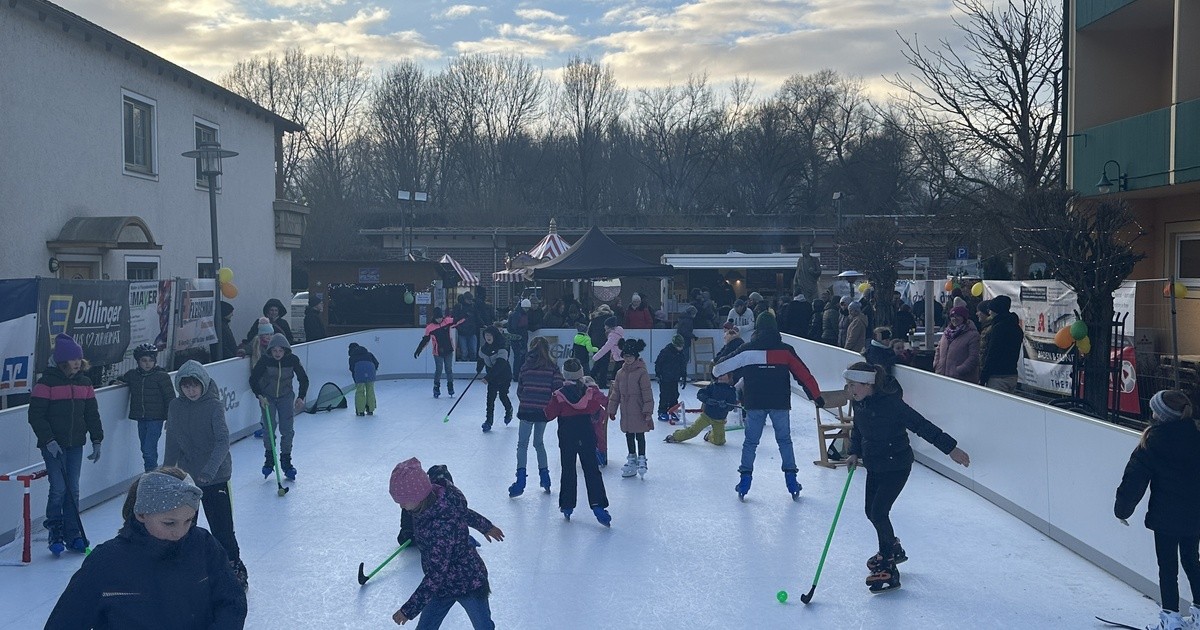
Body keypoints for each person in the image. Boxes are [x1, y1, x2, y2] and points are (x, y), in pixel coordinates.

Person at [44, 468, 247, 629]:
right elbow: (65, 621)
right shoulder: (107, 562)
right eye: (169, 523)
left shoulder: (203, 545)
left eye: (188, 521)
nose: (180, 532)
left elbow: (232, 602)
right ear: (141, 514)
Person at [842, 361, 971, 593]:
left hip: (896, 466)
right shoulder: (859, 403)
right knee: (870, 511)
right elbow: (858, 429)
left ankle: (890, 567)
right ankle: (893, 548)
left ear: (868, 384)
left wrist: (951, 449)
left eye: (853, 385)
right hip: (874, 464)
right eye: (848, 385)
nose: (849, 389)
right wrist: (853, 451)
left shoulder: (892, 405)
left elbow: (922, 425)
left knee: (879, 512)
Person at [713, 312, 824, 500]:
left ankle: (744, 481)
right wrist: (816, 396)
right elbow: (803, 374)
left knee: (750, 443)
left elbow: (718, 369)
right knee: (785, 441)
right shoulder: (785, 350)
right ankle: (791, 480)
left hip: (754, 402)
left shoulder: (746, 350)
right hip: (779, 402)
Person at [1114, 390, 1200, 630]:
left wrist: (1122, 510)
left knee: (1168, 566)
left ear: (1160, 415)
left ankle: (1171, 618)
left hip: (1166, 518)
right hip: (1195, 515)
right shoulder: (1196, 436)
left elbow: (1134, 481)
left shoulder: (1152, 441)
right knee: (1193, 561)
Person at [389, 457, 504, 628]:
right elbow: (464, 513)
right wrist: (485, 526)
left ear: (418, 496)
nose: (401, 506)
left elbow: (436, 574)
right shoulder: (432, 504)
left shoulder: (440, 527)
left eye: (403, 501)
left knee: (483, 625)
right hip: (442, 588)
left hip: (468, 582)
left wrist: (408, 610)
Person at [164, 361, 248, 590]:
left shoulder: (213, 406)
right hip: (187, 479)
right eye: (186, 386)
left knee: (222, 528)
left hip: (216, 476)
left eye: (195, 386)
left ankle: (234, 568)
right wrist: (166, 473)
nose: (191, 391)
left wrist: (210, 470)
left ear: (203, 384)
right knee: (185, 527)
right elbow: (172, 441)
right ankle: (189, 569)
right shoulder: (175, 407)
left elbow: (222, 441)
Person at [28, 333, 103, 556]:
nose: (77, 362)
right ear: (62, 361)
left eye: (79, 358)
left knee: (74, 489)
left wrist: (97, 439)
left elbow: (92, 413)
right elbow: (36, 416)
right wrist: (49, 440)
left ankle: (73, 533)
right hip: (54, 446)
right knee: (59, 488)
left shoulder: (85, 382)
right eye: (72, 359)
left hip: (75, 444)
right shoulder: (46, 383)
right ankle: (55, 531)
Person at [543, 360, 611, 525]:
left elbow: (549, 415)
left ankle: (567, 505)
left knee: (568, 468)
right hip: (586, 433)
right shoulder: (590, 393)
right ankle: (598, 506)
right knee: (591, 469)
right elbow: (605, 402)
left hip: (567, 435)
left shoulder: (559, 395)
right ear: (581, 374)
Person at [249, 333, 309, 481]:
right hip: (267, 398)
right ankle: (269, 459)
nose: (277, 354)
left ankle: (286, 461)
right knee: (269, 429)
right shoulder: (265, 360)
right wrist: (260, 395)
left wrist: (301, 397)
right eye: (274, 351)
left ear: (285, 350)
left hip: (286, 397)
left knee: (287, 429)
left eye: (280, 351)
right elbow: (253, 379)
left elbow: (304, 379)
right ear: (270, 350)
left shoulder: (292, 360)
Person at [510, 337, 564, 497]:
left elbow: (520, 389)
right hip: (543, 411)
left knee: (522, 444)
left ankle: (520, 481)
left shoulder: (525, 366)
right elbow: (558, 388)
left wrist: (527, 399)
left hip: (527, 409)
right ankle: (545, 478)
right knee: (539, 443)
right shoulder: (553, 367)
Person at [119, 343, 175, 471]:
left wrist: (170, 418)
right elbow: (122, 379)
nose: (147, 364)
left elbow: (170, 398)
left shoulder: (161, 376)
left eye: (151, 360)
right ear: (138, 361)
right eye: (144, 360)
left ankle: (151, 474)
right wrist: (115, 382)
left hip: (156, 418)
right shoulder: (133, 375)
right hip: (141, 418)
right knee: (144, 448)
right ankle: (151, 473)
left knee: (149, 449)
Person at [608, 339, 653, 479]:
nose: (627, 359)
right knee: (628, 434)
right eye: (625, 356)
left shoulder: (641, 372)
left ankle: (641, 458)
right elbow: (616, 393)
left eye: (630, 356)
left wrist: (647, 411)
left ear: (636, 356)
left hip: (638, 409)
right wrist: (612, 409)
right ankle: (631, 457)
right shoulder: (620, 373)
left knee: (639, 434)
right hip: (626, 410)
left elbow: (647, 392)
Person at [664, 371, 738, 445]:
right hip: (706, 416)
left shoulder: (731, 391)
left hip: (719, 419)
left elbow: (731, 406)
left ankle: (709, 435)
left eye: (723, 375)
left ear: (729, 377)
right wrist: (707, 400)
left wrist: (726, 406)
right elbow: (700, 394)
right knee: (693, 431)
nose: (720, 376)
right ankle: (675, 436)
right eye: (719, 375)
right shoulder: (712, 387)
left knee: (719, 442)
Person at [978, 294, 1023, 392]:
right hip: (1012, 373)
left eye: (990, 310)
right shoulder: (1016, 328)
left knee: (994, 404)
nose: (989, 312)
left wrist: (983, 377)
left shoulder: (998, 328)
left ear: (995, 311)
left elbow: (992, 353)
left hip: (997, 376)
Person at [416, 307, 462, 399]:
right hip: (437, 352)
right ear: (434, 317)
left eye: (440, 317)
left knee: (449, 369)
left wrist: (466, 315)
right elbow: (425, 340)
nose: (439, 319)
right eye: (437, 318)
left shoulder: (447, 321)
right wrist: (418, 350)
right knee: (439, 370)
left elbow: (457, 320)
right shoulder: (430, 327)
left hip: (448, 350)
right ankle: (436, 388)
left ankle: (450, 386)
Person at [476, 326, 513, 433]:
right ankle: (488, 421)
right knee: (490, 399)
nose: (487, 337)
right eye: (486, 335)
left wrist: (488, 377)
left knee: (502, 396)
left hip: (504, 376)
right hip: (492, 377)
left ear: (494, 335)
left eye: (490, 335)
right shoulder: (484, 348)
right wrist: (479, 368)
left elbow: (500, 364)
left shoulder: (502, 347)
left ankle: (508, 410)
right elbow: (481, 358)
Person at [934, 306, 981, 384]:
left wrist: (960, 370)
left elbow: (974, 357)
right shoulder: (946, 333)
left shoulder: (973, 335)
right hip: (943, 376)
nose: (954, 319)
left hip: (962, 380)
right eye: (952, 316)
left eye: (958, 316)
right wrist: (936, 364)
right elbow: (938, 349)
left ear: (964, 318)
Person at [654, 334, 688, 423]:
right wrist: (658, 374)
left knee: (674, 394)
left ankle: (673, 410)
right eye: (678, 346)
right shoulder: (666, 352)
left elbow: (683, 366)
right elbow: (658, 363)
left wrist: (684, 376)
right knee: (665, 395)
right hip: (665, 378)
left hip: (674, 378)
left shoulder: (681, 354)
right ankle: (662, 411)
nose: (680, 348)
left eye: (681, 346)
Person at [592, 316, 626, 388]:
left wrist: (595, 357)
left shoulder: (613, 336)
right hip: (621, 358)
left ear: (609, 327)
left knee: (616, 377)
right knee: (618, 376)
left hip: (620, 358)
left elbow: (605, 348)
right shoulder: (618, 332)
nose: (604, 327)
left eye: (605, 325)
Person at [586, 305, 614, 386]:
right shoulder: (610, 318)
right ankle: (602, 382)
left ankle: (590, 377)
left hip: (595, 342)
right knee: (604, 363)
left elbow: (589, 332)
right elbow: (612, 330)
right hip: (605, 341)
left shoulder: (594, 318)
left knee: (598, 361)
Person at [349, 342, 380, 416]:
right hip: (370, 371)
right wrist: (372, 371)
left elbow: (352, 369)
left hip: (359, 373)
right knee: (370, 390)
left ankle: (360, 411)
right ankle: (370, 409)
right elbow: (376, 363)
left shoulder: (352, 357)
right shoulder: (369, 354)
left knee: (360, 391)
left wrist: (356, 379)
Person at [506, 299, 531, 376]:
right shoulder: (517, 315)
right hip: (518, 339)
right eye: (526, 308)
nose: (527, 310)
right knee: (518, 357)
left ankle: (519, 374)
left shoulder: (519, 314)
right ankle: (517, 375)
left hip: (521, 339)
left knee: (520, 357)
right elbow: (514, 327)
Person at [454, 293, 480, 362]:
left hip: (466, 331)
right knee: (466, 351)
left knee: (469, 351)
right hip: (465, 332)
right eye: (469, 300)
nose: (471, 301)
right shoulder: (460, 307)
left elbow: (477, 317)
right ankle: (471, 365)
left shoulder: (471, 307)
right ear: (465, 299)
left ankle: (465, 365)